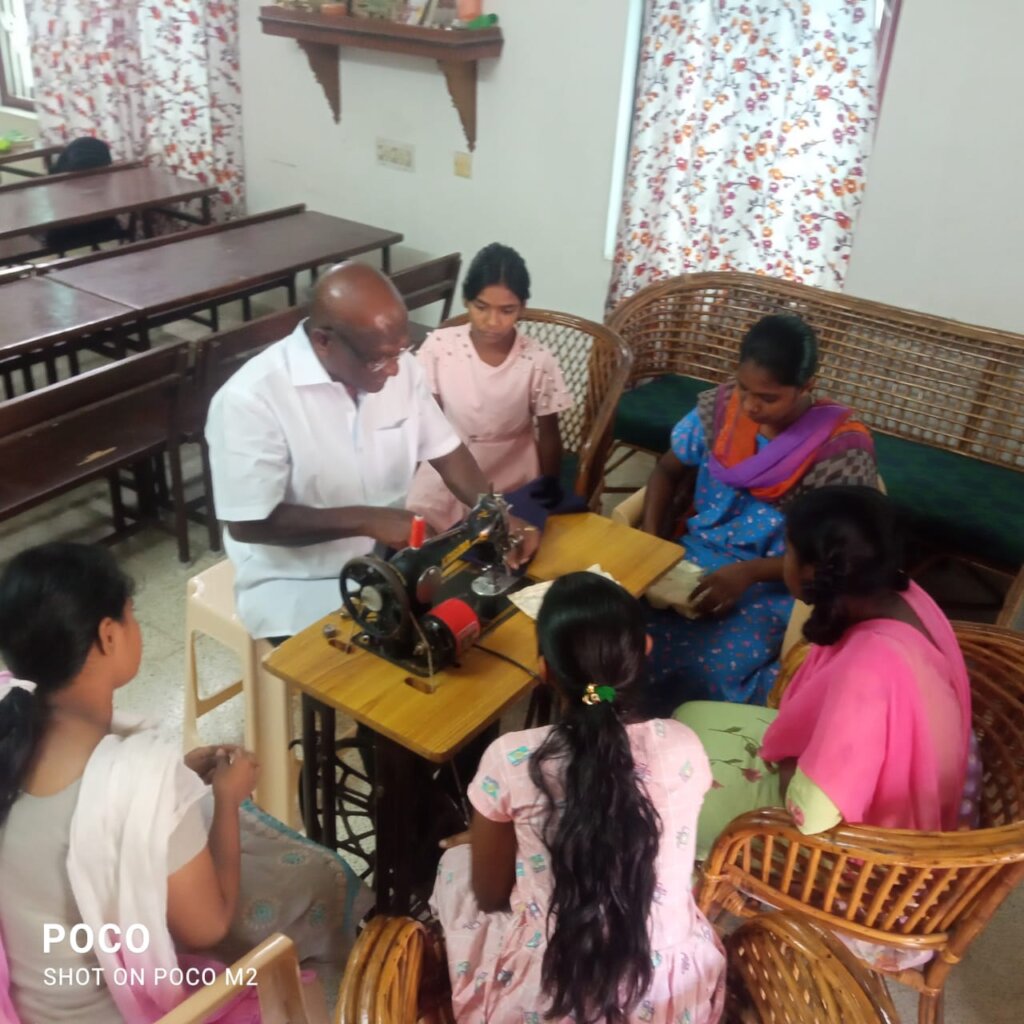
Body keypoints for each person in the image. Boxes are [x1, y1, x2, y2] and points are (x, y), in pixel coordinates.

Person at [0, 543, 371, 1024]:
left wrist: (173, 786)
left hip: (27, 1008)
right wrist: (227, 799)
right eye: (132, 616)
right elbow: (208, 927)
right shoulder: (141, 775)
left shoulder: (12, 728)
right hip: (119, 1014)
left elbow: (85, 815)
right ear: (109, 636)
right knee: (309, 920)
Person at [431, 573, 725, 1024]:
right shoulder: (683, 745)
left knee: (454, 865)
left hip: (547, 987)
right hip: (670, 989)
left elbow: (490, 896)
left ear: (545, 670)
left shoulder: (510, 759)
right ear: (645, 650)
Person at [205, 261, 539, 641]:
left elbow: (448, 452)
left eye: (401, 350)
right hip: (294, 583)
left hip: (380, 562)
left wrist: (494, 510)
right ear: (323, 341)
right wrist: (368, 519)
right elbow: (248, 523)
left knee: (470, 635)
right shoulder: (250, 400)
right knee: (396, 663)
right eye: (379, 359)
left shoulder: (399, 366)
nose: (395, 369)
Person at [674, 486, 974, 863]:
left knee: (662, 799)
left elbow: (811, 815)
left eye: (787, 551)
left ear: (812, 571)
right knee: (686, 715)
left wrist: (793, 761)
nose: (783, 561)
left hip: (859, 846)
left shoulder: (868, 671)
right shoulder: (901, 592)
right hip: (892, 778)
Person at [641, 314, 878, 706]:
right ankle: (611, 716)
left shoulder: (839, 453)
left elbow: (834, 555)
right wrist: (652, 543)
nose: (750, 406)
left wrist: (748, 573)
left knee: (708, 670)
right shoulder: (720, 413)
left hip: (777, 582)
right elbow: (666, 471)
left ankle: (693, 734)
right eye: (743, 388)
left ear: (807, 386)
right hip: (690, 558)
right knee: (614, 636)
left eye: (768, 398)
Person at [406, 243, 573, 531]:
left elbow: (549, 434)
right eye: (481, 307)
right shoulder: (440, 347)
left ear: (522, 307)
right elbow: (426, 421)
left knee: (508, 539)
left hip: (513, 468)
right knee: (421, 534)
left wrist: (550, 487)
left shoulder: (536, 360)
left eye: (507, 310)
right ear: (466, 300)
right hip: (449, 461)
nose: (493, 322)